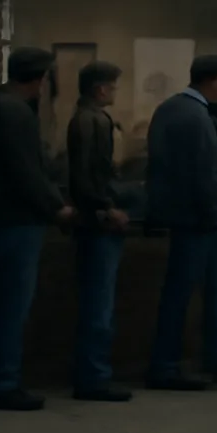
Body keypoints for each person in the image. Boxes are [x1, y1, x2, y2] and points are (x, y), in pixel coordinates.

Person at [0, 47, 76, 411]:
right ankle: (2, 383)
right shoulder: (14, 112)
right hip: (16, 221)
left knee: (7, 303)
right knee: (13, 305)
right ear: (40, 79)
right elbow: (26, 171)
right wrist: (56, 207)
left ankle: (1, 379)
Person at [145, 55, 217, 391]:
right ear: (216, 80)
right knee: (194, 293)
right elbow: (206, 174)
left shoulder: (170, 109)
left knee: (180, 292)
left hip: (182, 216)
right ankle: (178, 365)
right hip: (200, 220)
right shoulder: (196, 116)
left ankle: (177, 362)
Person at [67, 60, 138, 402]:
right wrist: (107, 207)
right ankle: (94, 377)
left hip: (91, 221)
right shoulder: (94, 120)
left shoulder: (82, 118)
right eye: (113, 87)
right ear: (100, 89)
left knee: (95, 302)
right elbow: (91, 175)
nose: (115, 93)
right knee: (99, 304)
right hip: (98, 224)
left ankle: (92, 375)